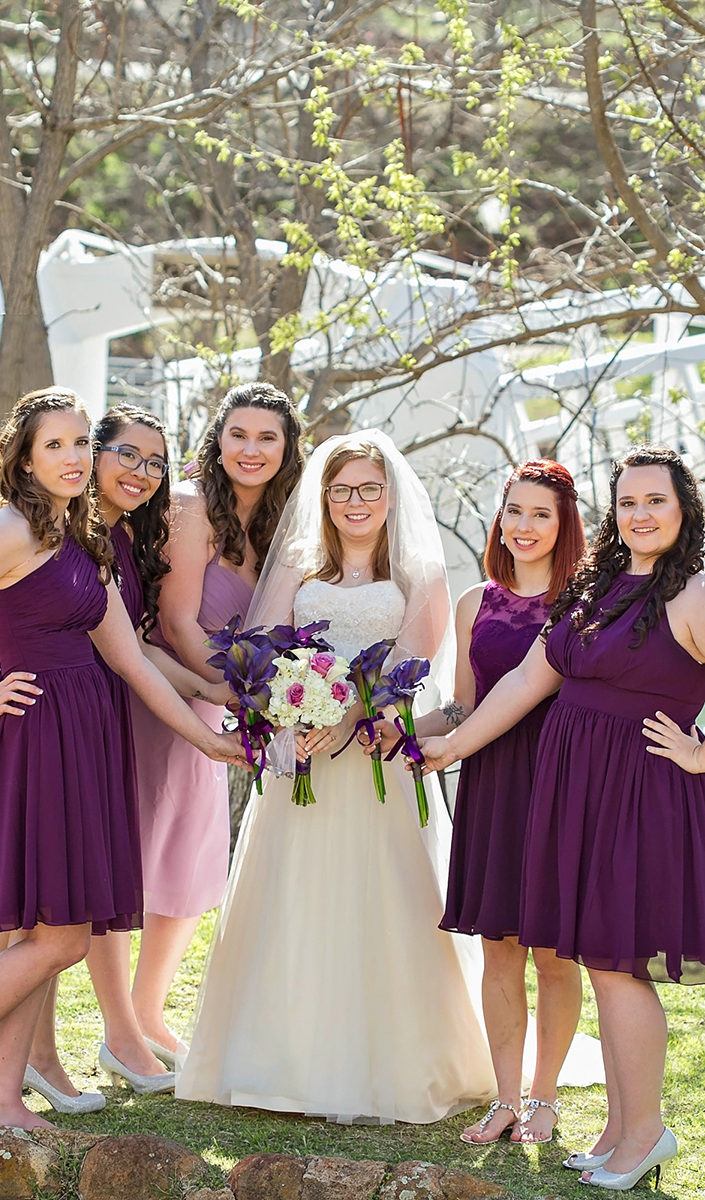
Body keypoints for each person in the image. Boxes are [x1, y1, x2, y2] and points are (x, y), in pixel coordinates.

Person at [416, 445, 705, 1187]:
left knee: (621, 969)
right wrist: (453, 744)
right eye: (627, 502)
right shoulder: (599, 588)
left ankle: (645, 1134)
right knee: (600, 961)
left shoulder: (695, 599)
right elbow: (528, 679)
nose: (640, 514)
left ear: (683, 509)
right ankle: (622, 1128)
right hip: (578, 791)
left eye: (655, 500)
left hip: (642, 796)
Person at [0, 388, 246, 1129]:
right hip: (40, 737)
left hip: (89, 738)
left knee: (52, 931)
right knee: (61, 935)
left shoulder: (81, 538)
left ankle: (4, 1099)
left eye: (79, 444)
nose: (73, 458)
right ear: (25, 457)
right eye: (57, 446)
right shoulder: (12, 530)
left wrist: (211, 739)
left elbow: (133, 662)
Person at [176, 431, 496, 1124]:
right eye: (342, 489)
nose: (355, 501)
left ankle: (394, 1060)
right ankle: (279, 1058)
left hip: (372, 758)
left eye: (368, 489)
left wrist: (345, 712)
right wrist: (289, 711)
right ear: (324, 497)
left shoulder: (420, 575)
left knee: (379, 899)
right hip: (301, 762)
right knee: (296, 894)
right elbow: (258, 652)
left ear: (389, 497)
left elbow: (410, 665)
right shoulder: (298, 564)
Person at [377, 460, 588, 1144]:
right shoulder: (477, 603)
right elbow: (463, 705)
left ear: (565, 526)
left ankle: (545, 1100)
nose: (524, 527)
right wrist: (405, 729)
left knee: (555, 955)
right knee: (500, 950)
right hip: (492, 785)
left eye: (541, 515)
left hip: (562, 787)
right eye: (514, 512)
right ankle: (504, 1098)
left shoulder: (588, 601)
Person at [127, 382, 305, 1066]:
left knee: (193, 860)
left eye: (267, 438)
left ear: (288, 449)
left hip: (220, 701)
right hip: (167, 692)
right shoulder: (193, 505)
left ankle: (148, 1012)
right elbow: (174, 620)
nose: (251, 450)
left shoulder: (287, 520)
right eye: (239, 435)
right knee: (143, 853)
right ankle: (123, 1021)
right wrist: (244, 694)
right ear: (218, 439)